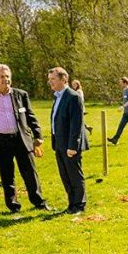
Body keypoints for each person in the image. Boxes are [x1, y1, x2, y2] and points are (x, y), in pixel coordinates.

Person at [0, 63, 51, 213]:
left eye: (8, 76)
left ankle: (39, 202)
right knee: (6, 174)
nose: (6, 79)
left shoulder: (20, 94)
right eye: (2, 77)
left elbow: (30, 116)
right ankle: (13, 206)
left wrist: (37, 135)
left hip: (21, 138)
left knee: (30, 171)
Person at [47, 67, 90, 214]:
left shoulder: (73, 96)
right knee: (65, 175)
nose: (50, 82)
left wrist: (73, 146)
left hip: (70, 144)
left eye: (53, 79)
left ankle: (79, 205)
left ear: (63, 79)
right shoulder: (57, 96)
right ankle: (71, 204)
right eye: (49, 79)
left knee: (74, 175)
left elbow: (76, 124)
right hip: (59, 142)